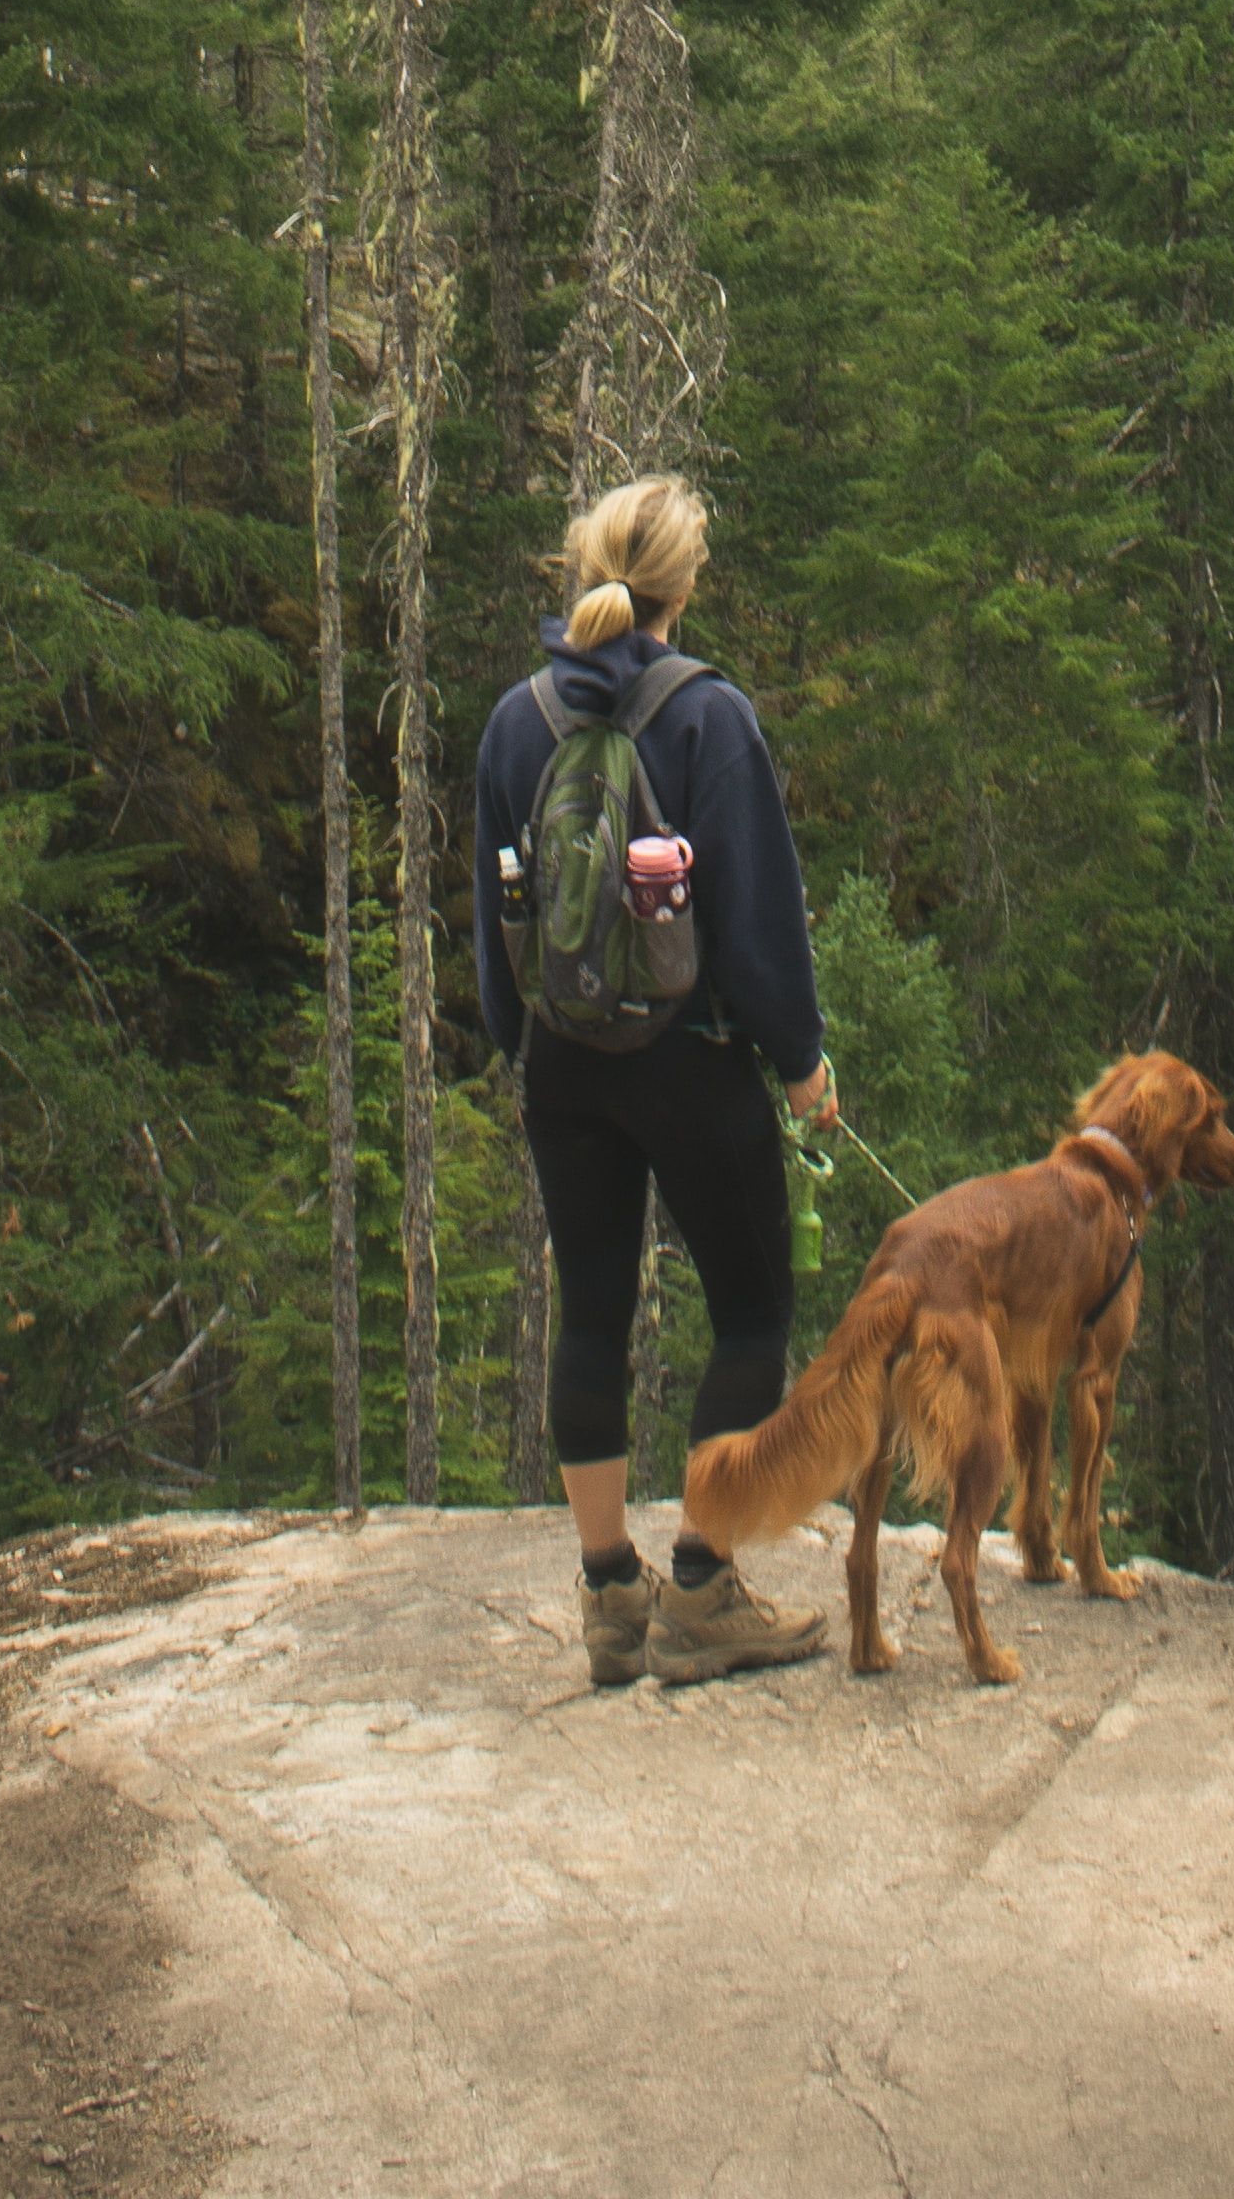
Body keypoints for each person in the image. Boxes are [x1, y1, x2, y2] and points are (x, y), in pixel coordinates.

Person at [476, 471, 839, 1687]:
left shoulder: (516, 720)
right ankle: (700, 1586)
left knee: (590, 1313)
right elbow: (759, 924)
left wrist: (506, 1040)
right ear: (684, 588)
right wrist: (800, 1067)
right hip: (691, 1063)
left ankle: (607, 1598)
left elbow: (496, 918)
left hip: (563, 1069)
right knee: (749, 1313)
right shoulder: (708, 718)